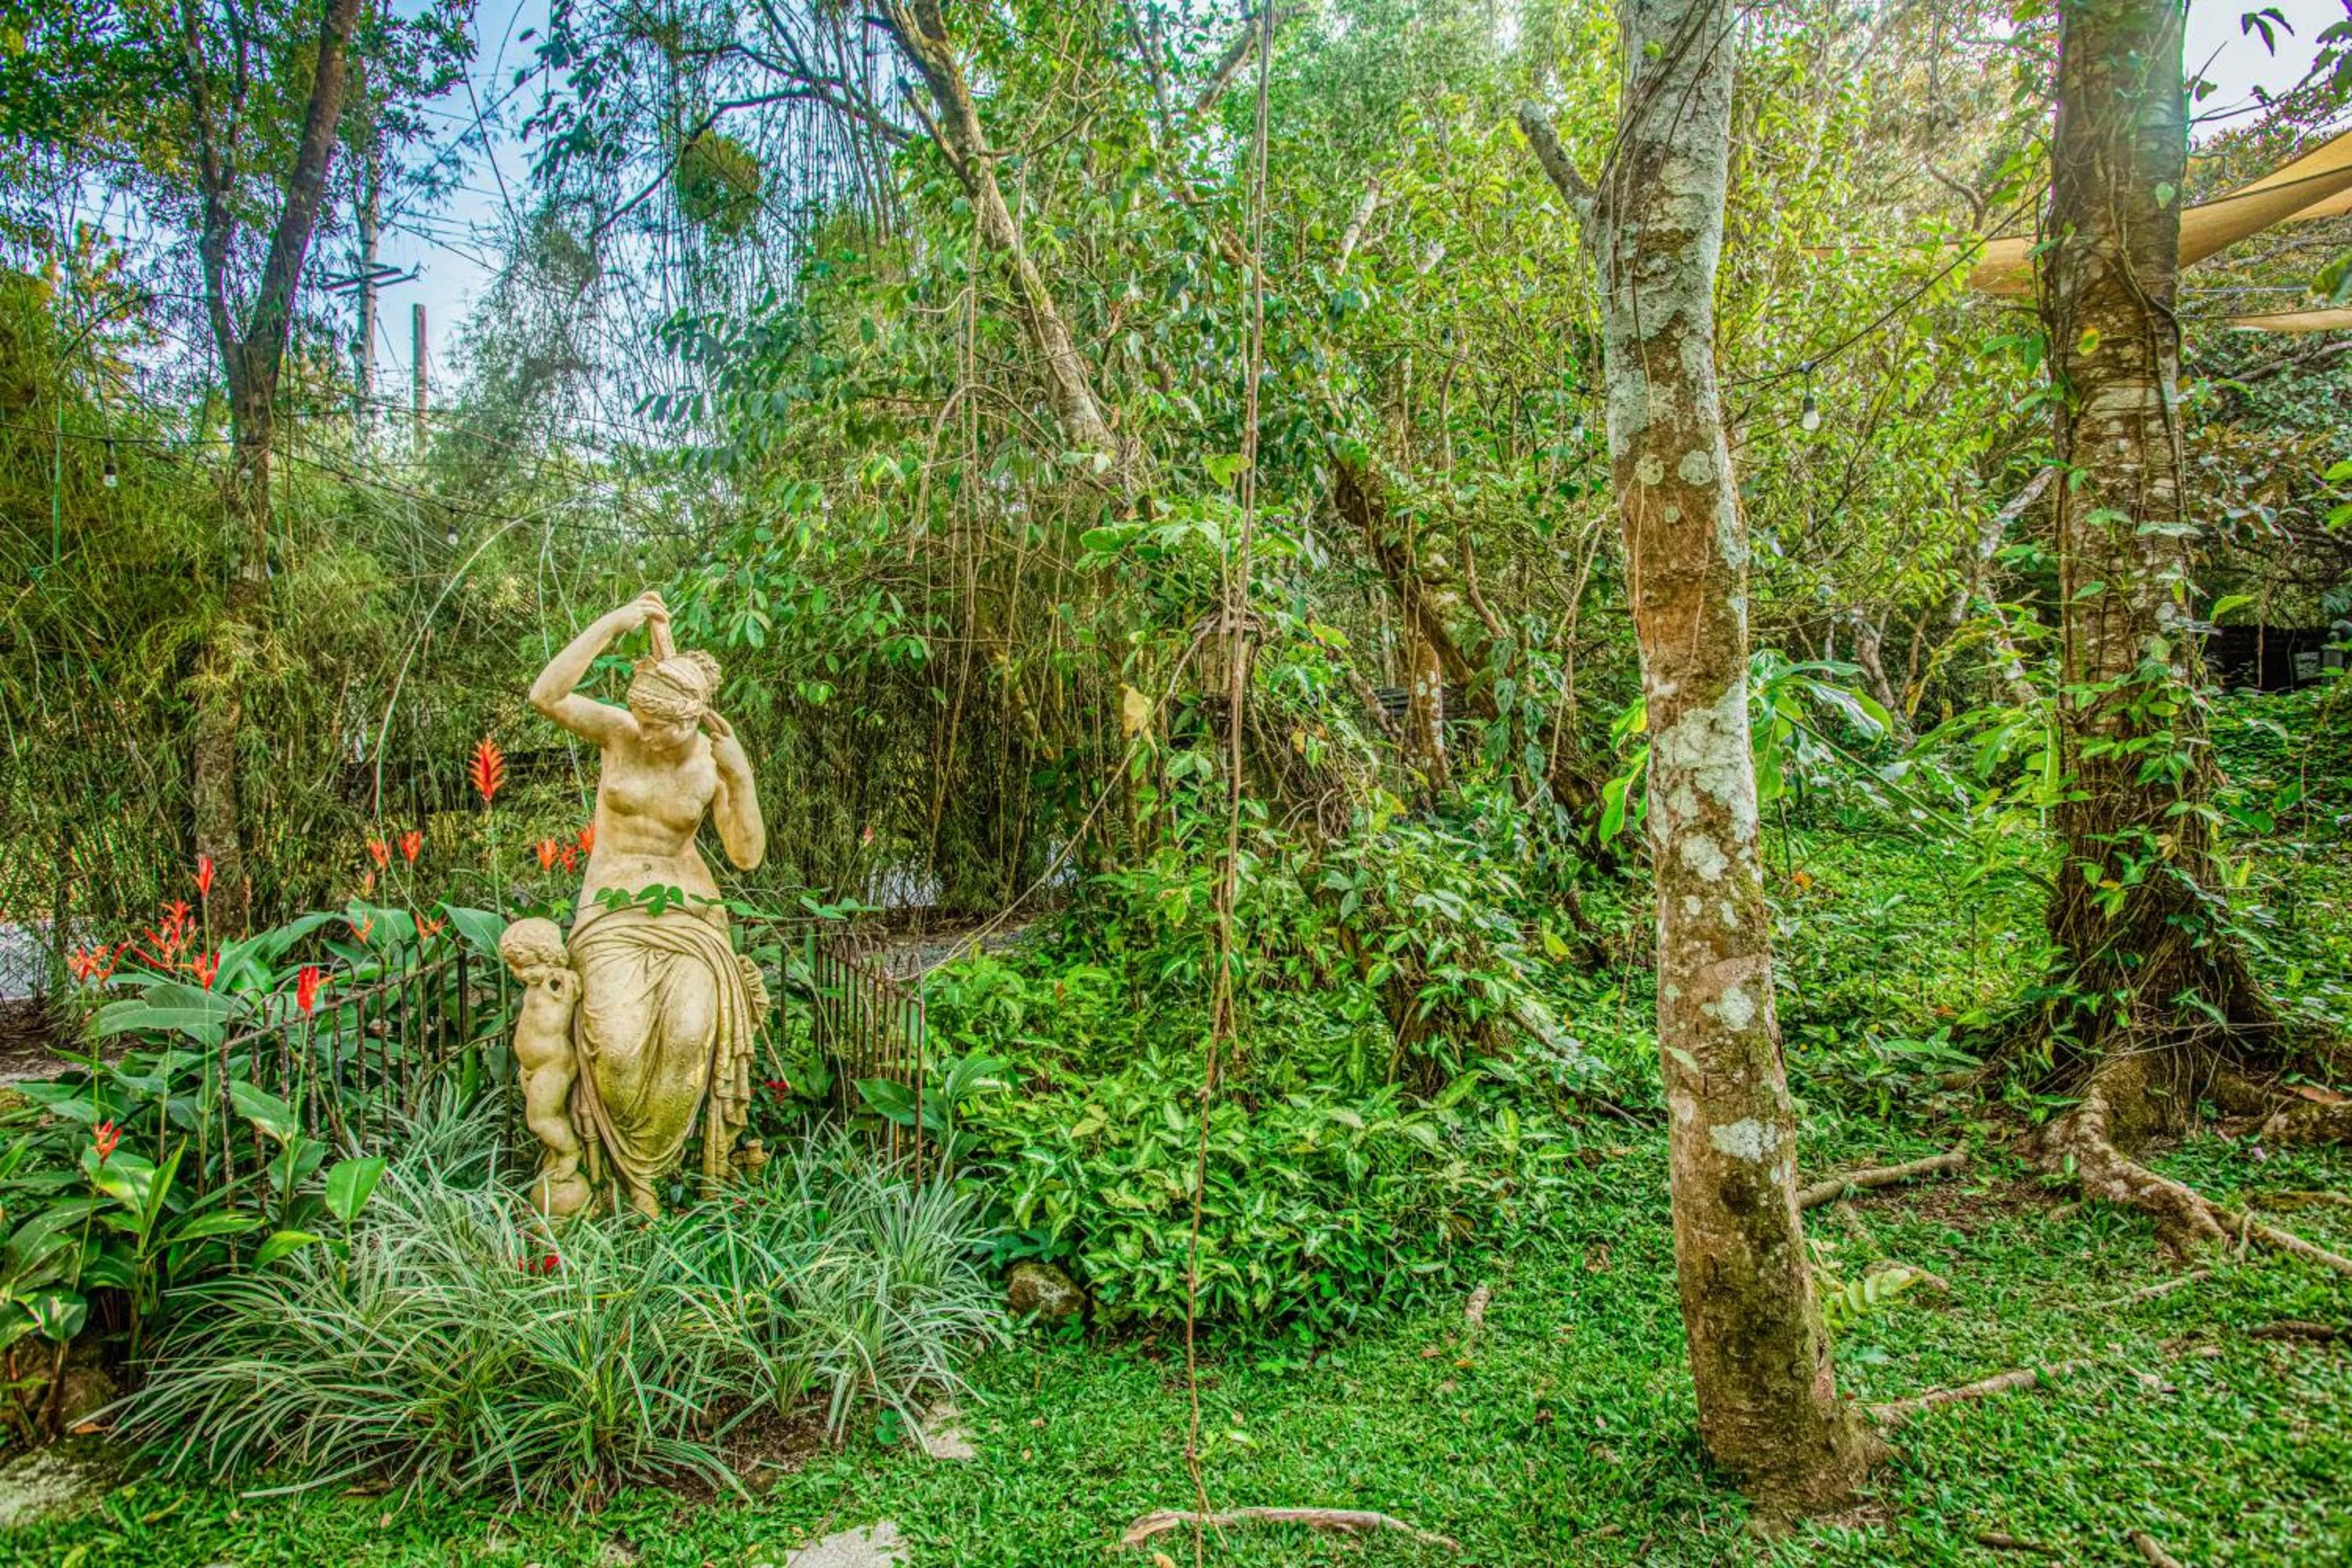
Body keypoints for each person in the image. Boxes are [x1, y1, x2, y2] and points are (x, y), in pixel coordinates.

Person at [521, 592, 771, 1215]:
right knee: (616, 1042)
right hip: (611, 911)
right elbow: (546, 695)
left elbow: (745, 856)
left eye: (661, 725)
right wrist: (613, 623)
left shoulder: (711, 765)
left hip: (688, 916)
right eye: (642, 720)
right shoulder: (619, 732)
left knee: (688, 1036)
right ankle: (627, 1175)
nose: (648, 733)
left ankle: (658, 1182)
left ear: (694, 716)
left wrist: (740, 777)